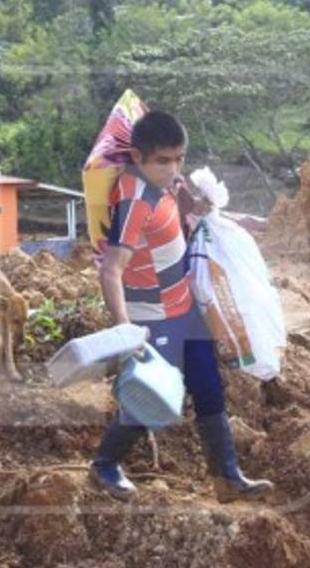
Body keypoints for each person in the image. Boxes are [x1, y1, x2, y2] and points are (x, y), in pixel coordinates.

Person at [89, 110, 273, 503]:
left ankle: (227, 477)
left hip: (185, 308)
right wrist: (125, 330)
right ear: (138, 157)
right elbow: (111, 270)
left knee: (209, 387)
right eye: (163, 160)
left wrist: (230, 217)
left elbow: (191, 214)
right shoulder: (134, 200)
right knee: (155, 394)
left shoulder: (167, 184)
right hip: (153, 317)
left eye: (179, 158)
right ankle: (105, 464)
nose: (173, 168)